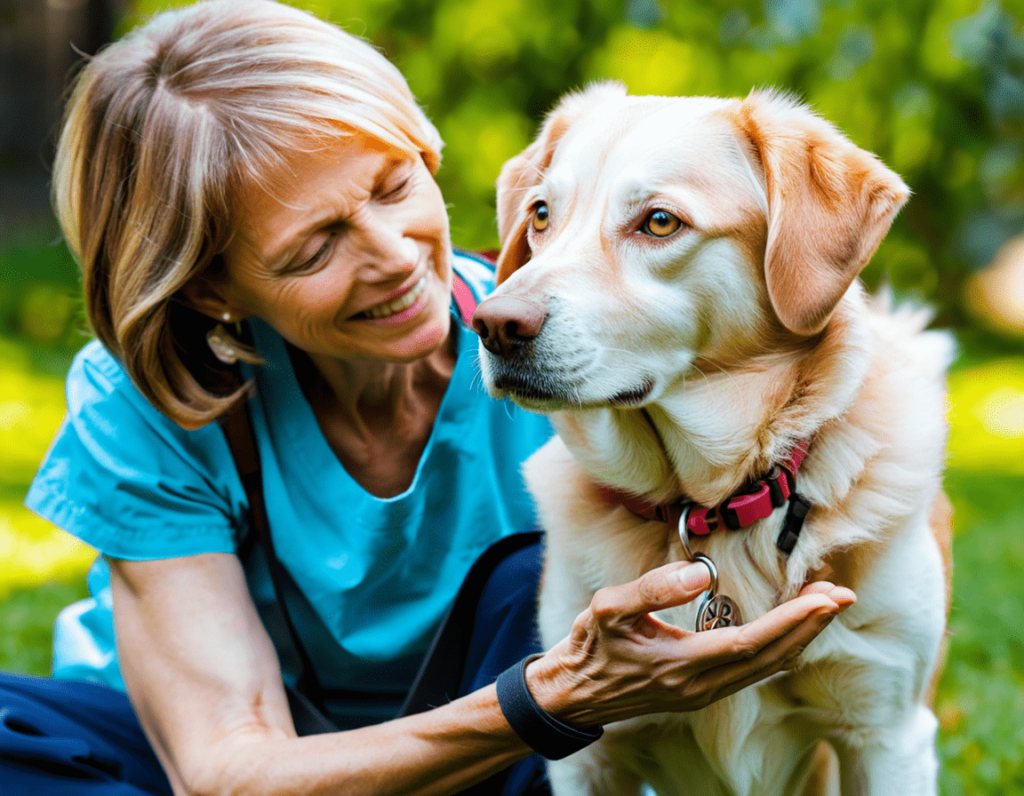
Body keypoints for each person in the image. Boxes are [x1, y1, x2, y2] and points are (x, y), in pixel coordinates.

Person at [0, 1, 855, 794]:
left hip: (489, 760)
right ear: (207, 289)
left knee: (530, 583)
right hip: (196, 756)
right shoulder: (148, 404)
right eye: (314, 247)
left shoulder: (577, 355)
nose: (395, 256)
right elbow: (229, 769)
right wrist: (547, 696)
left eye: (392, 185)